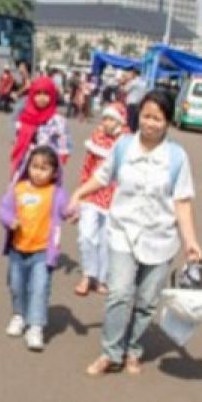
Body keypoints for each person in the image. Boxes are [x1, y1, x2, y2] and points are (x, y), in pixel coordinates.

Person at [65, 90, 202, 376]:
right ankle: (111, 352)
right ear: (138, 116)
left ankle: (134, 350)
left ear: (168, 121)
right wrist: (78, 193)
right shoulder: (123, 146)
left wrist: (190, 242)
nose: (151, 123)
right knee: (118, 293)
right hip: (123, 231)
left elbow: (182, 202)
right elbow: (103, 177)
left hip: (160, 238)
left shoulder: (177, 158)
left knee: (146, 301)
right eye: (146, 116)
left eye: (158, 118)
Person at [0, 145, 71, 352]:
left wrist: (75, 211)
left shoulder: (56, 193)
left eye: (44, 168)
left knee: (39, 288)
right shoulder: (18, 189)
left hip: (42, 252)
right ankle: (19, 315)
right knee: (16, 286)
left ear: (55, 172)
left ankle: (36, 327)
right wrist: (10, 220)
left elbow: (67, 210)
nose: (38, 172)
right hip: (17, 250)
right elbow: (3, 208)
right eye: (34, 166)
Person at [74, 103, 126, 296]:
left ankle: (101, 278)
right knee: (86, 235)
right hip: (92, 193)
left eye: (111, 119)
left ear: (120, 122)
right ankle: (87, 274)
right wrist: (80, 193)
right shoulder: (96, 138)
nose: (106, 123)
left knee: (106, 239)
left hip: (115, 197)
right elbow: (87, 168)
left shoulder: (126, 142)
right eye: (104, 118)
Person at [10, 76, 71, 174]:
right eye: (38, 93)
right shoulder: (24, 117)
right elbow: (16, 143)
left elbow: (64, 149)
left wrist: (53, 170)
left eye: (46, 94)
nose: (41, 98)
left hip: (45, 171)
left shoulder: (58, 121)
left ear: (52, 95)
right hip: (22, 167)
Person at [122, 67, 146, 131]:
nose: (130, 75)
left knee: (129, 122)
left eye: (131, 73)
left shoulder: (134, 82)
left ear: (134, 74)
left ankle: (128, 137)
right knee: (135, 124)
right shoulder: (144, 82)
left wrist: (126, 80)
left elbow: (125, 90)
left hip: (131, 104)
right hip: (139, 105)